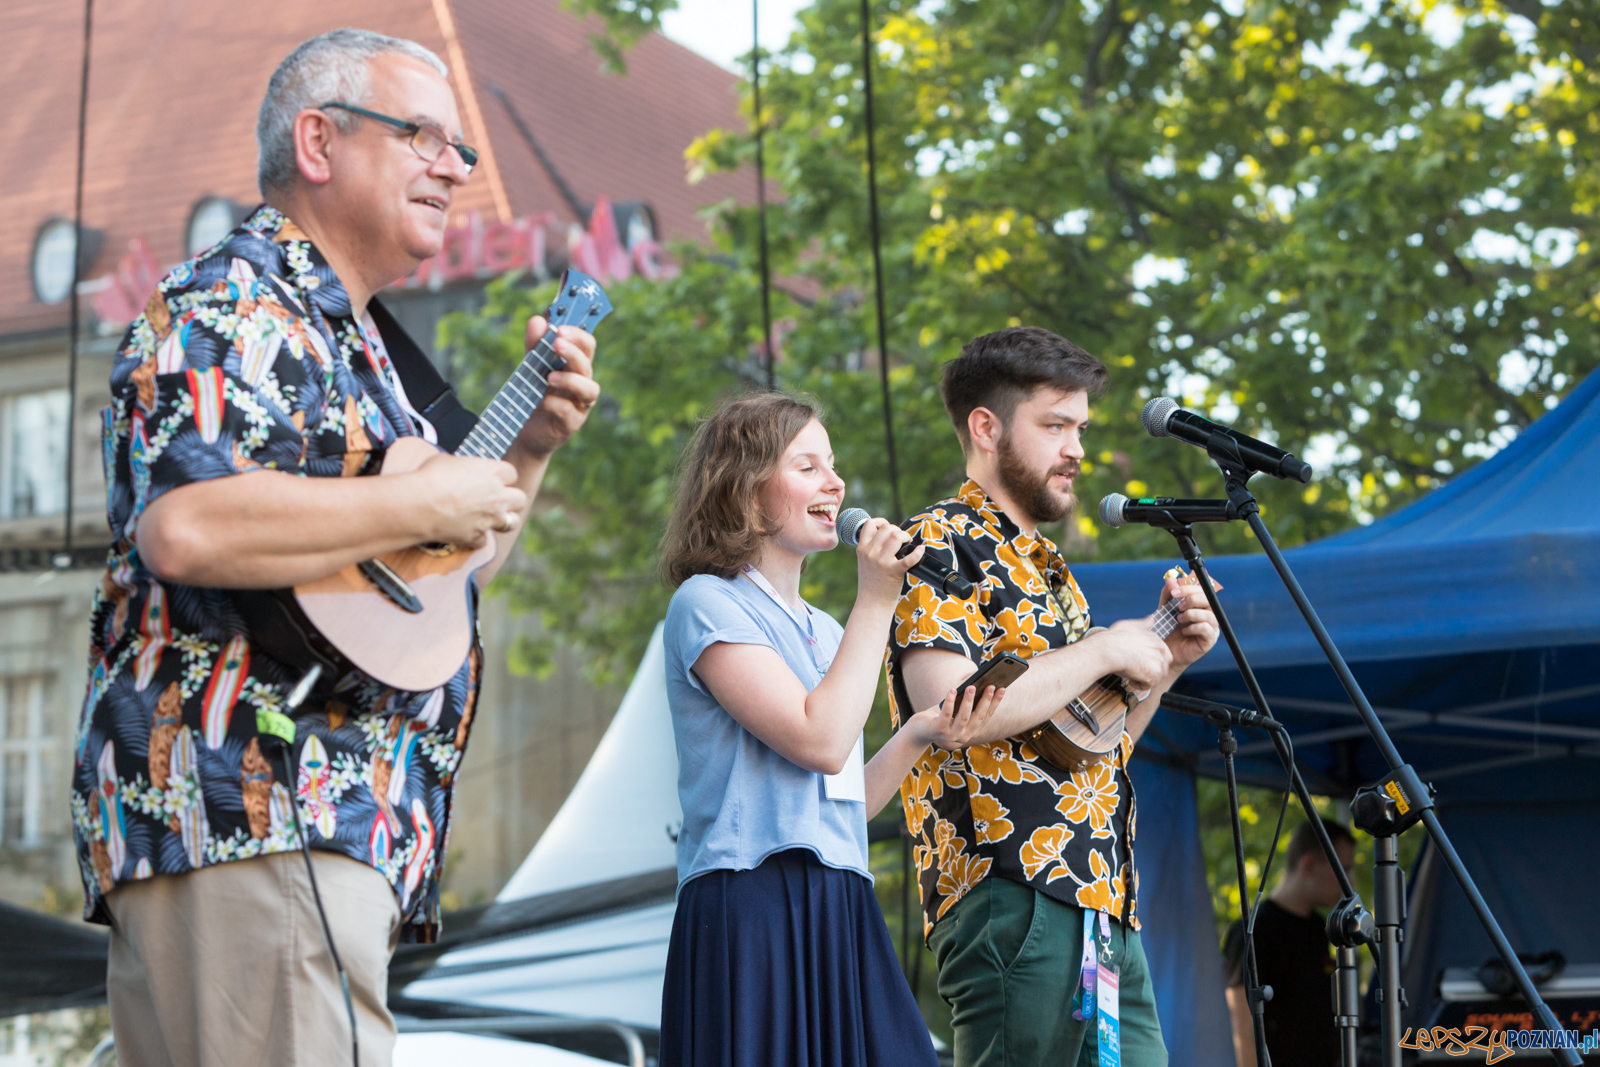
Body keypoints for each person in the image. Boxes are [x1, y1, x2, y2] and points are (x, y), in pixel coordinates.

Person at [72, 29, 600, 1067]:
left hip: (307, 828)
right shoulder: (233, 303)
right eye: (424, 137)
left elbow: (415, 593)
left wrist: (522, 456)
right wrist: (428, 496)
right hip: (260, 802)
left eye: (462, 149)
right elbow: (187, 521)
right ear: (318, 141)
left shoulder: (361, 348)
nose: (454, 167)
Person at [888, 326, 1222, 1067]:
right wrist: (1104, 647)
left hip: (1103, 904)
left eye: (1080, 428)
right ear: (987, 426)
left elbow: (1094, 744)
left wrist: (1165, 664)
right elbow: (950, 714)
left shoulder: (1054, 572)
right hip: (1012, 895)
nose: (1076, 447)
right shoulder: (938, 543)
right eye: (1055, 425)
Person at [657, 392, 1008, 1067]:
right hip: (751, 896)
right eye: (808, 465)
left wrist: (918, 734)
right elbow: (817, 741)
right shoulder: (707, 602)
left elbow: (840, 801)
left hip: (838, 892)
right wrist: (878, 596)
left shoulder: (825, 629)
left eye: (834, 465)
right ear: (747, 490)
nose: (836, 483)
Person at [1223, 818, 1358, 1067]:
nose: (1349, 881)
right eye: (1343, 869)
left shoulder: (1321, 928)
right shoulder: (1254, 931)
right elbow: (1241, 1024)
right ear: (1308, 865)